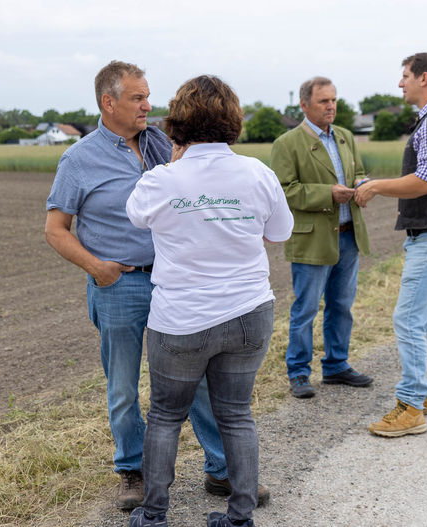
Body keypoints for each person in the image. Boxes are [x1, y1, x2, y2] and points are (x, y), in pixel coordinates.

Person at [45, 61, 269, 510]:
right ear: (109, 103)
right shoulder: (79, 159)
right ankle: (133, 471)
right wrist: (98, 267)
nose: (148, 105)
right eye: (137, 98)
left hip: (177, 284)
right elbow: (55, 228)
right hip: (121, 285)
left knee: (203, 380)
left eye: (148, 96)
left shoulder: (165, 144)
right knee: (124, 385)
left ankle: (221, 470)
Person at [125, 75, 293, 527]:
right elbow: (278, 233)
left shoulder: (162, 179)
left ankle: (154, 514)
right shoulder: (258, 173)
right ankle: (240, 517)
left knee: (165, 415)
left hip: (181, 318)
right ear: (233, 120)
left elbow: (138, 217)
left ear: (177, 124)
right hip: (248, 312)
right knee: (237, 414)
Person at [356, 53, 427, 437]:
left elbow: (426, 181)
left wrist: (375, 185)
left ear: (424, 78)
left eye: (404, 76)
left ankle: (411, 406)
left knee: (407, 319)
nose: (399, 83)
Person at [268, 77, 373, 399]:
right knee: (306, 309)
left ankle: (336, 365)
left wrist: (362, 183)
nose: (331, 106)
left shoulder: (344, 137)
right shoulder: (287, 143)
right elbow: (284, 192)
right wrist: (328, 193)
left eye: (334, 100)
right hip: (312, 240)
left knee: (342, 306)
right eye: (324, 101)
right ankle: (298, 372)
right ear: (304, 105)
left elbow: (355, 171)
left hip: (347, 236)